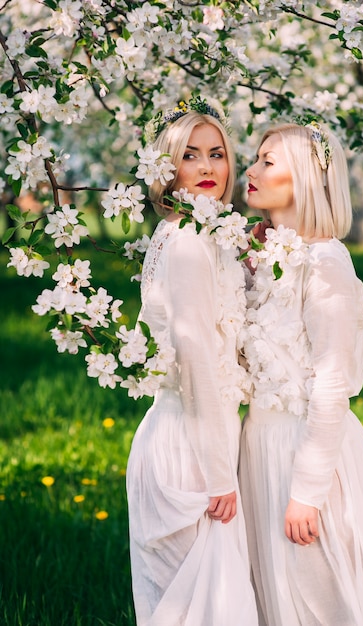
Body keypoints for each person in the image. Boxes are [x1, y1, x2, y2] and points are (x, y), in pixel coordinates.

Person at [239, 122, 363, 626]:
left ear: (306, 180)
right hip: (259, 447)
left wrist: (307, 491)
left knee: (320, 597)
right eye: (255, 158)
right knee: (277, 596)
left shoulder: (324, 264)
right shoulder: (263, 255)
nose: (250, 170)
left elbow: (332, 381)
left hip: (306, 454)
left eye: (268, 161)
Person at [126, 98, 258, 626]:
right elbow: (197, 355)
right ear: (168, 169)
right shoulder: (185, 243)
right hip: (190, 447)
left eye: (217, 154)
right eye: (190, 156)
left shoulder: (206, 236)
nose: (206, 168)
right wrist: (219, 473)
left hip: (209, 434)